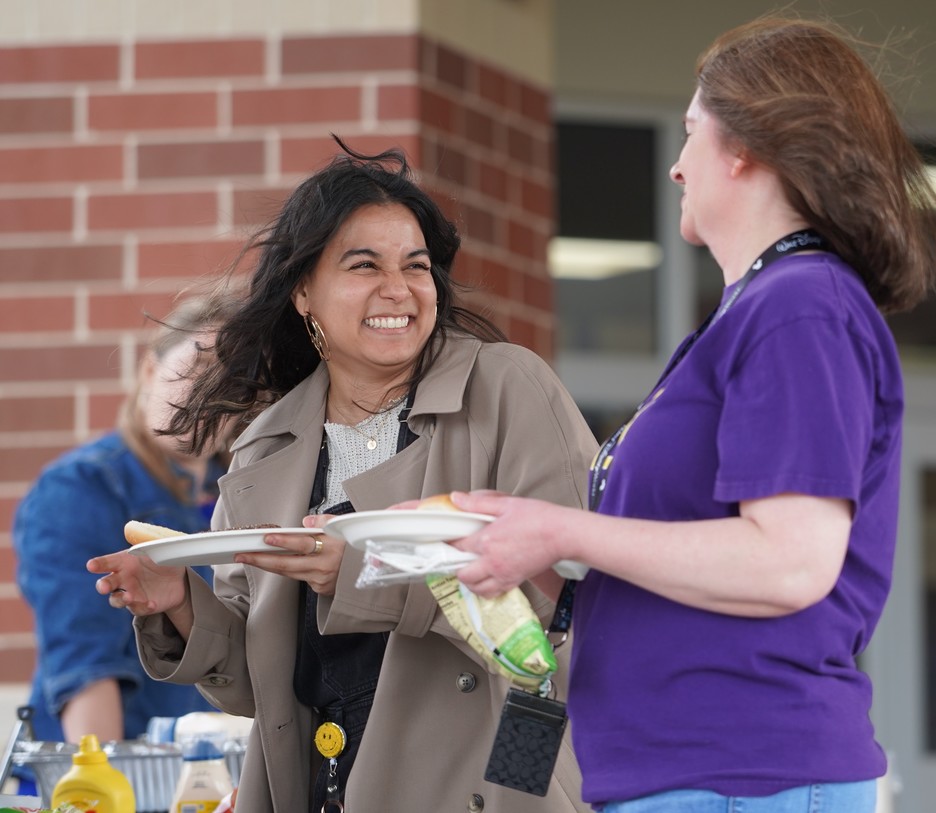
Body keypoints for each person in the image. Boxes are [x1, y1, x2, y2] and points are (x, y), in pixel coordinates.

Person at [444, 16, 936, 813]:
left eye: (691, 133)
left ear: (746, 145)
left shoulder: (800, 305)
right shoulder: (757, 313)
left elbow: (790, 562)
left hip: (745, 776)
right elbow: (693, 564)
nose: (678, 168)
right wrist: (521, 548)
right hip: (701, 777)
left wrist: (564, 531)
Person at [87, 140, 598, 813]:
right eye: (365, 265)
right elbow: (259, 683)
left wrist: (364, 571)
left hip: (490, 781)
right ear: (304, 291)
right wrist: (180, 601)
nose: (399, 289)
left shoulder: (509, 388)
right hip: (319, 785)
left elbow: (572, 596)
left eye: (416, 266)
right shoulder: (264, 446)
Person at [13, 292, 240, 746]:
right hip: (125, 770)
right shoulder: (82, 488)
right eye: (195, 370)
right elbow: (85, 666)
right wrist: (105, 788)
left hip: (217, 772)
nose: (209, 395)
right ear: (149, 371)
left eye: (233, 382)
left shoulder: (241, 495)